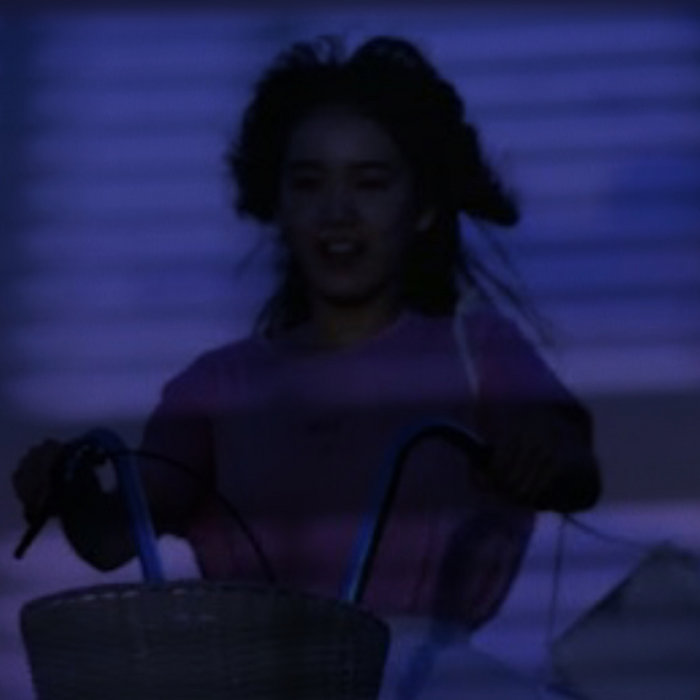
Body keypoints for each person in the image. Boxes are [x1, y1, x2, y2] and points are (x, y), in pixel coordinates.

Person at [13, 35, 600, 634]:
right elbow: (116, 536)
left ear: (423, 207)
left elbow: (575, 470)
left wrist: (539, 454)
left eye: (370, 183)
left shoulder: (475, 352)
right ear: (278, 204)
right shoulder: (216, 389)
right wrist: (71, 488)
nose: (337, 212)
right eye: (308, 183)